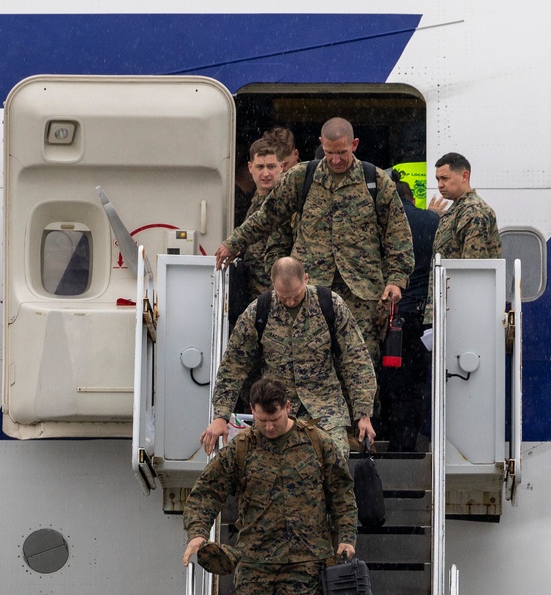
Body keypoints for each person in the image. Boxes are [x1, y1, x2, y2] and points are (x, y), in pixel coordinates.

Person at [182, 376, 357, 595]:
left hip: (304, 566)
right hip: (255, 568)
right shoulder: (241, 448)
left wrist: (346, 538)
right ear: (252, 410)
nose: (269, 427)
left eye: (275, 418)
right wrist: (198, 533)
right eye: (262, 420)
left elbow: (342, 493)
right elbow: (206, 493)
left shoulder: (316, 442)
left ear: (288, 407)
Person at [215, 117, 414, 363]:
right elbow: (267, 216)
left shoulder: (375, 181)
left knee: (361, 367)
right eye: (330, 152)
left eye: (342, 152)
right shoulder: (302, 177)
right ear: (321, 144)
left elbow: (398, 234)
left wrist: (396, 280)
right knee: (308, 362)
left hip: (361, 294)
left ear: (355, 145)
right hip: (310, 290)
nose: (336, 159)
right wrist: (234, 243)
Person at [202, 256, 377, 461]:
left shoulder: (330, 304)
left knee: (333, 463)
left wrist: (363, 414)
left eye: (296, 295)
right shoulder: (258, 311)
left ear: (306, 278)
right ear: (273, 284)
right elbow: (233, 367)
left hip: (325, 406)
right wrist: (220, 416)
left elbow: (356, 361)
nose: (291, 302)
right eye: (284, 297)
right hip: (276, 411)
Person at [379, 178, 439, 452]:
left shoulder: (378, 221)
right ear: (411, 199)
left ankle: (377, 434)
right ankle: (404, 444)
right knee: (411, 387)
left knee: (381, 383)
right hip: (413, 319)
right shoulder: (429, 220)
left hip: (381, 317)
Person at [424, 153, 502, 327]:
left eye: (444, 178)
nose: (440, 185)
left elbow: (472, 269)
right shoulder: (457, 210)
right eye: (437, 179)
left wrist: (465, 316)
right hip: (449, 310)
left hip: (461, 314)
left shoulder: (473, 211)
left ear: (464, 176)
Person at [237, 136, 292, 302]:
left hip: (279, 296)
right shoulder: (253, 201)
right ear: (250, 167)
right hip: (254, 295)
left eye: (271, 166)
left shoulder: (287, 203)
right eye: (260, 167)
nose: (266, 173)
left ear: (282, 167)